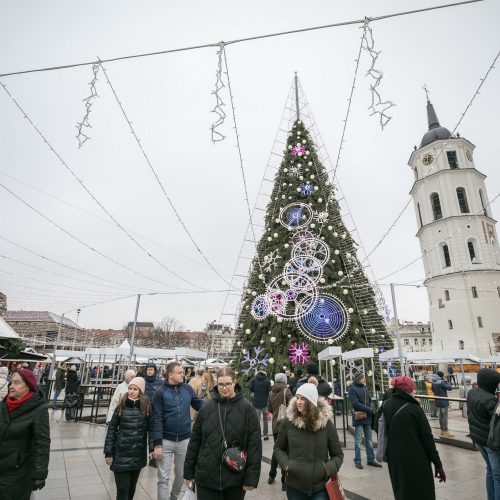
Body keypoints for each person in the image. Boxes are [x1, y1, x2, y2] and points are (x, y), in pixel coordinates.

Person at [183, 367, 262, 499]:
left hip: (234, 479)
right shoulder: (206, 407)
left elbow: (254, 445)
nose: (224, 388)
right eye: (220, 384)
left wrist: (251, 478)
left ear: (234, 383)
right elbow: (195, 441)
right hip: (206, 477)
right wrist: (188, 472)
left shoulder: (247, 408)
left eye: (227, 384)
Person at [275, 383, 344, 499]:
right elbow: (278, 448)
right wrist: (287, 465)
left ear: (311, 401)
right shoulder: (288, 422)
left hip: (320, 487)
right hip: (294, 486)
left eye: (303, 399)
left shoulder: (326, 424)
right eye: (297, 398)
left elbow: (338, 455)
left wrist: (326, 470)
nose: (298, 402)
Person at [383, 375, 445, 500]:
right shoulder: (414, 409)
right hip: (416, 460)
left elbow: (378, 427)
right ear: (408, 390)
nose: (416, 391)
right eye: (414, 388)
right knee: (421, 492)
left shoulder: (386, 404)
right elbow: (427, 439)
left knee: (402, 491)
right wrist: (438, 464)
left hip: (395, 459)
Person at [153, 361, 203, 500]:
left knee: (182, 475)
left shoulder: (187, 388)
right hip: (165, 441)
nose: (183, 374)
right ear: (170, 374)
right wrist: (157, 444)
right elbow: (156, 419)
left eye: (183, 372)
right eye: (180, 372)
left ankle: (174, 497)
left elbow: (198, 404)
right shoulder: (160, 392)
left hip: (184, 440)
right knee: (163, 478)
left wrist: (213, 404)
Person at [0, 368, 50, 499]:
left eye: (17, 383)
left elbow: (42, 443)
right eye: (11, 382)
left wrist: (40, 473)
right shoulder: (4, 404)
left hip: (18, 471)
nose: (11, 386)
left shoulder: (39, 409)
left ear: (28, 386)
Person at [104, 376, 153, 500]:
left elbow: (151, 429)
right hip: (121, 455)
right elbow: (111, 430)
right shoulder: (121, 405)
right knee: (122, 491)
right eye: (130, 388)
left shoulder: (146, 407)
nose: (131, 391)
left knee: (131, 490)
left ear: (141, 391)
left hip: (137, 455)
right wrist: (108, 452)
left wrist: (152, 448)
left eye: (135, 389)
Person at [467, 368, 500, 500]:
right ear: (491, 384)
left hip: (478, 439)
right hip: (491, 443)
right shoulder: (491, 400)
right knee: (498, 476)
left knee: (490, 471)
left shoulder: (472, 393)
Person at [347, 371, 382, 469]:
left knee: (369, 440)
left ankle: (370, 459)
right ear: (358, 379)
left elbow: (370, 400)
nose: (364, 379)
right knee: (358, 440)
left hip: (367, 417)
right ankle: (357, 460)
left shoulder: (365, 387)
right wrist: (369, 410)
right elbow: (355, 404)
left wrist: (373, 407)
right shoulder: (352, 389)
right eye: (363, 378)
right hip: (359, 417)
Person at [267, 373, 292, 490]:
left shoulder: (271, 392)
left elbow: (270, 409)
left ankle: (271, 475)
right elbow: (292, 408)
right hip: (285, 426)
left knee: (276, 450)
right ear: (284, 380)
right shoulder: (286, 392)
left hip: (275, 426)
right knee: (285, 452)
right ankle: (284, 481)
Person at [250, 366, 272, 440]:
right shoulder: (267, 380)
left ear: (258, 371)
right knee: (265, 419)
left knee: (257, 420)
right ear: (265, 371)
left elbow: (251, 389)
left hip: (256, 403)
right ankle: (265, 435)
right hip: (265, 403)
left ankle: (257, 435)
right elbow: (269, 391)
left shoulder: (254, 379)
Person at [432, 370, 454, 437]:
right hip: (443, 400)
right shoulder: (442, 382)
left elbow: (433, 390)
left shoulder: (433, 382)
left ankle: (442, 430)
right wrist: (446, 381)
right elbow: (450, 388)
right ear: (441, 376)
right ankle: (445, 430)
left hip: (438, 400)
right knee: (445, 416)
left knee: (440, 416)